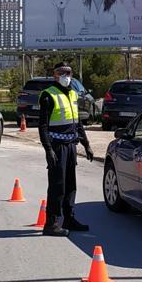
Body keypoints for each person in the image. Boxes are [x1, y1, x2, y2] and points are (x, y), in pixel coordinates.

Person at [37, 62, 94, 236]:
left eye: (68, 72)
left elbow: (77, 123)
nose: (65, 75)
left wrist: (86, 144)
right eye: (61, 72)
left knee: (70, 185)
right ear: (54, 75)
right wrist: (48, 150)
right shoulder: (48, 95)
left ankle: (69, 218)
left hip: (71, 146)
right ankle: (51, 223)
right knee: (57, 185)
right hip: (57, 146)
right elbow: (43, 126)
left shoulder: (73, 94)